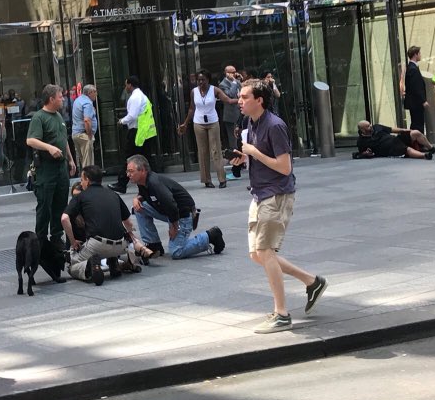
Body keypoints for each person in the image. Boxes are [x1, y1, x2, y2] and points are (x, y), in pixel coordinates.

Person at [230, 80, 326, 334]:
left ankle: (282, 314)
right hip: (260, 193)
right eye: (239, 96)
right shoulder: (250, 123)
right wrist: (244, 157)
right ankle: (311, 281)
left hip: (276, 195)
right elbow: (259, 154)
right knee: (257, 254)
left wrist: (254, 152)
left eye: (244, 96)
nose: (239, 100)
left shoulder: (275, 125)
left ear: (259, 99)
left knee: (265, 250)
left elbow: (285, 168)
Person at [61, 165, 149, 284]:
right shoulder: (113, 194)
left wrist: (72, 241)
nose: (81, 184)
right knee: (106, 250)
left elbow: (64, 219)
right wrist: (131, 237)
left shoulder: (81, 196)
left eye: (82, 180)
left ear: (87, 179)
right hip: (120, 246)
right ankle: (113, 262)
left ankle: (90, 267)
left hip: (97, 245)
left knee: (71, 264)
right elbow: (128, 222)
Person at [125, 155, 224, 260]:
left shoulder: (154, 183)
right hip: (170, 212)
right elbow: (144, 194)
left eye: (131, 171)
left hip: (183, 215)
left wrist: (174, 227)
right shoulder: (142, 182)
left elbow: (171, 204)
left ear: (143, 170)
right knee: (138, 208)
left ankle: (210, 236)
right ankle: (153, 244)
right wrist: (137, 199)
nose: (128, 175)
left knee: (176, 251)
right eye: (127, 171)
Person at [26, 84, 77, 255]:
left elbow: (64, 139)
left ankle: (56, 236)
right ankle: (40, 239)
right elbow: (31, 140)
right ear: (51, 99)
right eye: (60, 96)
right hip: (46, 168)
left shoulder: (59, 116)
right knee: (45, 205)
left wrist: (70, 159)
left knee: (60, 202)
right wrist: (49, 148)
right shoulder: (39, 117)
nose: (63, 99)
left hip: (61, 167)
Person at [177, 69, 231, 189]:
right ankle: (206, 180)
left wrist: (240, 100)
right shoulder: (194, 92)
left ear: (208, 80)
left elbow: (227, 100)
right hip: (199, 123)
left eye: (203, 80)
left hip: (213, 122)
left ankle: (222, 179)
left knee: (216, 150)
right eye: (199, 80)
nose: (201, 82)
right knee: (202, 151)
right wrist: (185, 123)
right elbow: (192, 108)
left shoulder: (214, 90)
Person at [112, 76, 156, 193]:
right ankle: (148, 183)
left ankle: (122, 183)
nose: (125, 87)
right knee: (144, 158)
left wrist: (121, 121)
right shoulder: (141, 96)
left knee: (130, 158)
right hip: (144, 131)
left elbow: (132, 115)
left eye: (126, 84)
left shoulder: (135, 97)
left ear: (130, 85)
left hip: (138, 132)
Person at [355, 121, 435, 159]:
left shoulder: (377, 127)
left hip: (395, 139)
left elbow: (392, 129)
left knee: (415, 133)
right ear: (362, 130)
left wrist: (406, 130)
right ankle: (424, 156)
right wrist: (366, 153)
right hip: (389, 149)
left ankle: (431, 148)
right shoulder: (361, 141)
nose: (370, 126)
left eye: (370, 124)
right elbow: (358, 154)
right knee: (406, 149)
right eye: (367, 126)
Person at [71, 84, 98, 170]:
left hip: (76, 134)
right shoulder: (87, 103)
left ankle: (85, 180)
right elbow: (87, 120)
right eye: (95, 92)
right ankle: (88, 182)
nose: (96, 94)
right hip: (84, 135)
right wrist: (89, 135)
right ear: (90, 93)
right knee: (88, 165)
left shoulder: (78, 100)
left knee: (84, 161)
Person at [403, 46, 428, 135]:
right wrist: (423, 100)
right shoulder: (413, 69)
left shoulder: (412, 67)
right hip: (416, 102)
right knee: (418, 124)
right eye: (419, 53)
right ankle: (418, 143)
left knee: (416, 123)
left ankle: (417, 143)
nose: (420, 55)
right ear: (415, 54)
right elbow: (416, 87)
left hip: (414, 101)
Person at [218, 65, 242, 153]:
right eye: (231, 72)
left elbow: (243, 90)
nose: (234, 74)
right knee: (233, 139)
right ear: (226, 73)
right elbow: (230, 94)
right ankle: (236, 157)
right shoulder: (222, 85)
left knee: (242, 137)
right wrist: (234, 83)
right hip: (231, 115)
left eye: (235, 71)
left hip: (241, 113)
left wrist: (239, 80)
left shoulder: (237, 81)